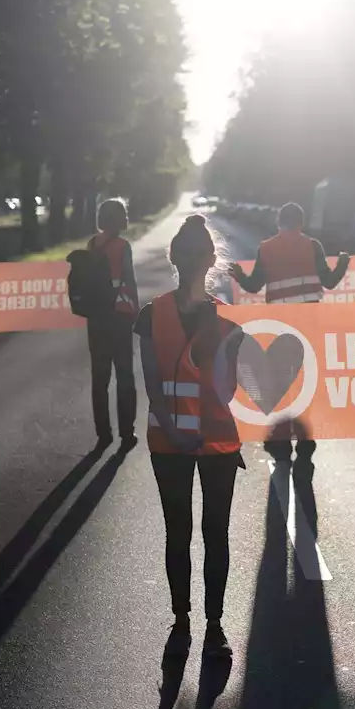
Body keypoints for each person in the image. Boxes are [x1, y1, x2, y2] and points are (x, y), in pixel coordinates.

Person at [135, 214, 245, 662]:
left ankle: (181, 620)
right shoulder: (227, 323)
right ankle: (214, 626)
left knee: (176, 533)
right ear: (212, 259)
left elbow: (152, 384)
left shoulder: (150, 315)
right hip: (218, 442)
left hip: (167, 442)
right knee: (215, 534)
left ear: (173, 258)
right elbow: (230, 391)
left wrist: (175, 431)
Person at [230, 202, 350, 461]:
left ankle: (281, 441)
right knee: (308, 380)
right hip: (309, 321)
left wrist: (238, 274)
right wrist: (343, 263)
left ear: (278, 223)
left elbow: (253, 286)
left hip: (281, 325)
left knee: (283, 381)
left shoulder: (266, 248)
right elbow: (329, 281)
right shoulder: (312, 246)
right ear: (301, 223)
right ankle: (307, 440)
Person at [85, 198, 138, 446]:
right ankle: (127, 434)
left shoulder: (92, 244)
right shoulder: (122, 246)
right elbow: (129, 280)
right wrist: (136, 312)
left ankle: (102, 434)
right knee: (124, 375)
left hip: (96, 319)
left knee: (100, 376)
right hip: (119, 317)